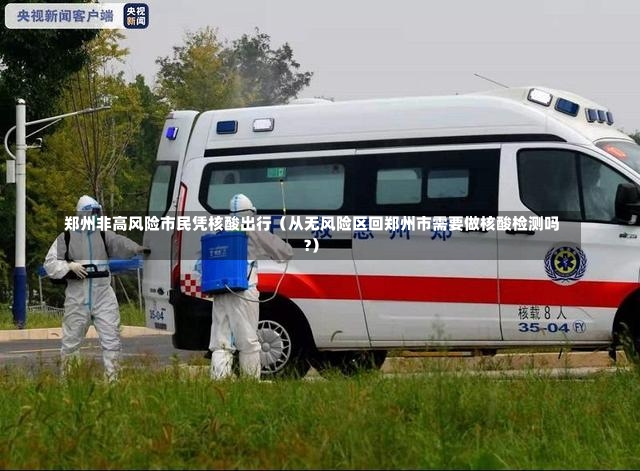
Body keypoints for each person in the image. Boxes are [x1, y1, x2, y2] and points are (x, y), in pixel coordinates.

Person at [43, 195, 149, 382]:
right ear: (82, 214)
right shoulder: (66, 238)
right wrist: (69, 266)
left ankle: (113, 383)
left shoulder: (103, 234)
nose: (96, 217)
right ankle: (69, 383)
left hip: (103, 295)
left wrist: (136, 248)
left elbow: (119, 243)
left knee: (112, 340)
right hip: (77, 297)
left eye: (97, 213)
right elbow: (50, 264)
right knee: (71, 343)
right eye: (93, 213)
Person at [209, 193, 293, 380]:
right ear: (251, 211)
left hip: (220, 291)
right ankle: (250, 383)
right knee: (248, 340)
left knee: (221, 341)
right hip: (244, 292)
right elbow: (284, 253)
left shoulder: (220, 230)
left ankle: (218, 382)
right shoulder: (254, 229)